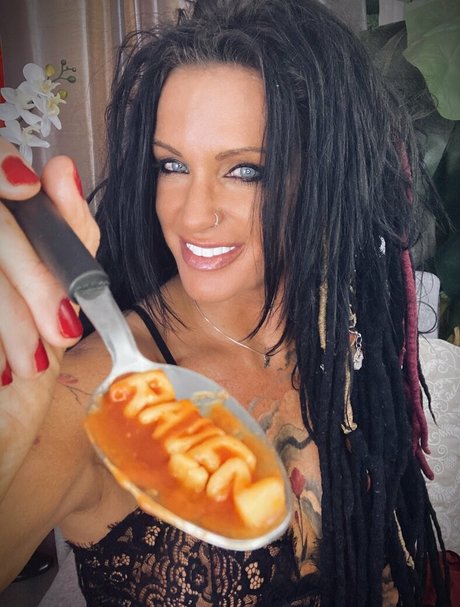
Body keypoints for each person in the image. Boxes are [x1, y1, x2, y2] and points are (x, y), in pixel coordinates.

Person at [0, 0, 451, 605]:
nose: (192, 215)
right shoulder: (91, 396)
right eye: (172, 165)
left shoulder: (341, 329)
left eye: (244, 171)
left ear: (326, 176)